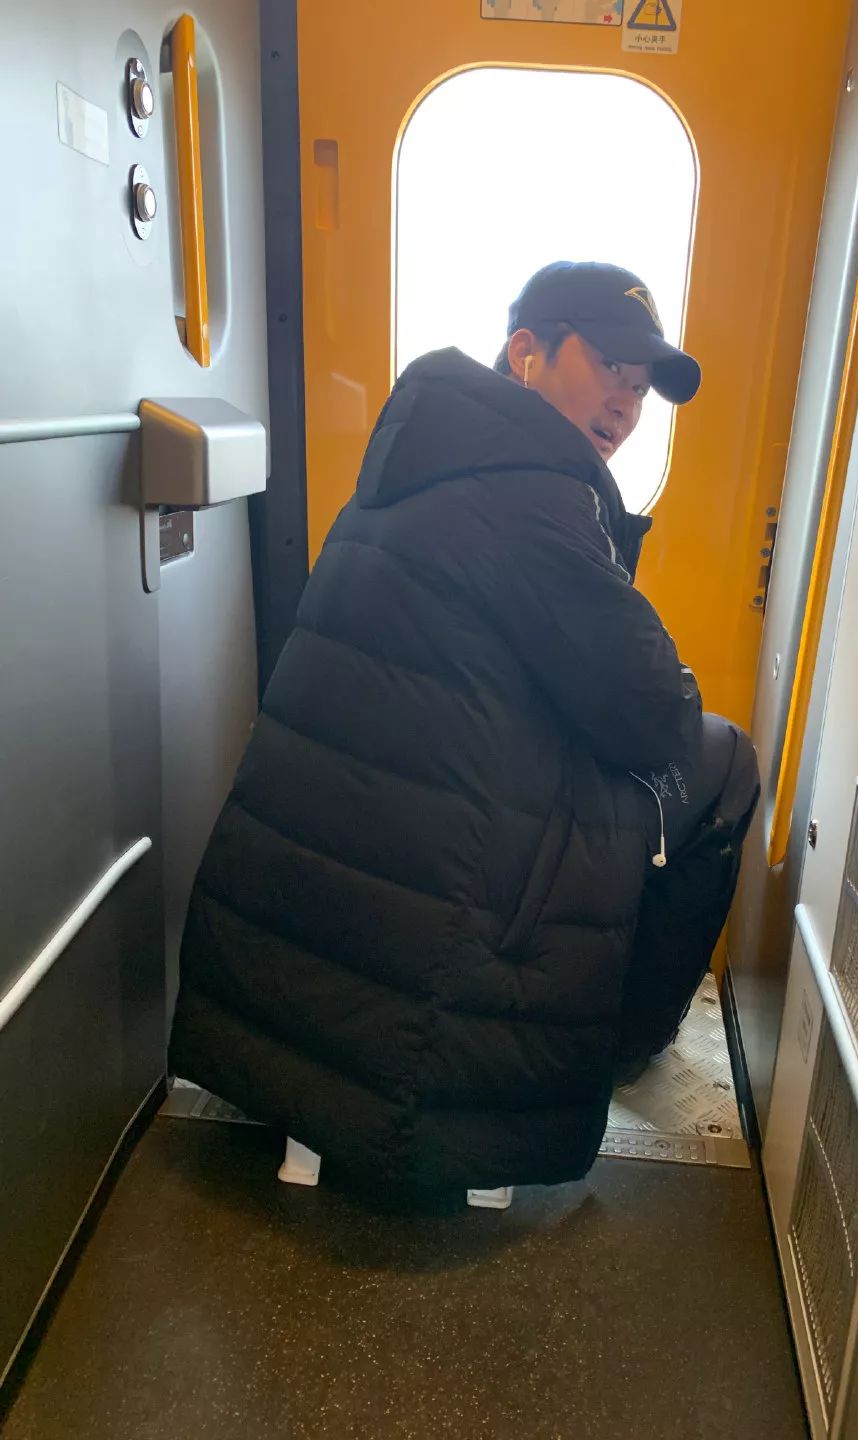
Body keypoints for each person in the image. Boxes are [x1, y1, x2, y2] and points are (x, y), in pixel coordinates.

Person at [169, 261, 759, 1209]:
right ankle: (622, 1045)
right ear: (527, 352)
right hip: (438, 886)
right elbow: (652, 717)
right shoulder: (532, 494)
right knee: (723, 763)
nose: (626, 403)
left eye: (642, 388)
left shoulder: (424, 453)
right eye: (609, 368)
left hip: (324, 876)